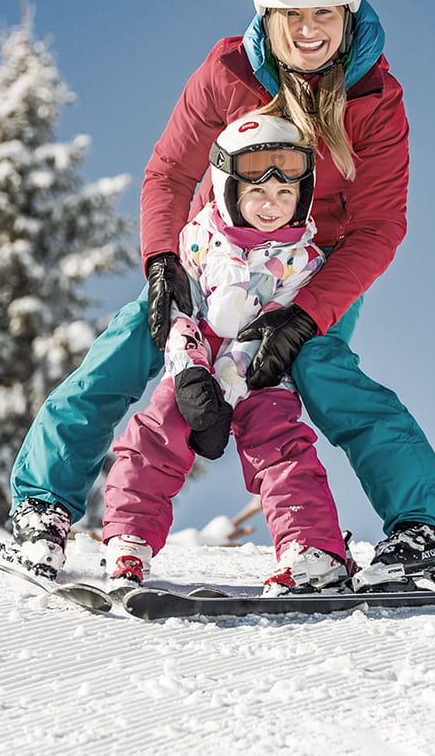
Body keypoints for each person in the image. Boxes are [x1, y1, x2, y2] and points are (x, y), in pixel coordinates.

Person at [10, 0, 435, 591]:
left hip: (310, 271)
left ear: (348, 13)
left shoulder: (375, 103)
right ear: (268, 15)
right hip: (214, 260)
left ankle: (428, 529)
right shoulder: (227, 74)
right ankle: (43, 506)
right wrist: (162, 264)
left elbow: (378, 227)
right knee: (128, 345)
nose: (307, 28)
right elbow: (167, 175)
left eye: (323, 12)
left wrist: (304, 316)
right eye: (291, 14)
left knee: (323, 371)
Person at [101, 114, 351, 596]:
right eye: (257, 191)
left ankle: (311, 549)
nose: (271, 205)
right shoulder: (196, 239)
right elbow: (180, 309)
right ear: (228, 188)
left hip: (260, 369)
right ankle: (128, 537)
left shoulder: (304, 260)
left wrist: (231, 381)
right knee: (158, 432)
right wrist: (193, 373)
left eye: (285, 194)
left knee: (279, 445)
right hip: (193, 361)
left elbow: (274, 322)